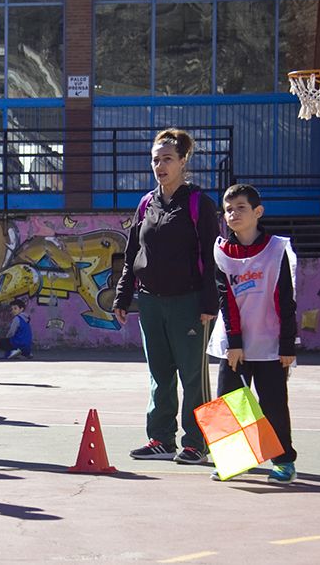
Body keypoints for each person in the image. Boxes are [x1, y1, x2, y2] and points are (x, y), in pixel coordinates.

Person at [113, 128, 220, 465]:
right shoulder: (146, 203)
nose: (160, 165)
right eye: (156, 160)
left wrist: (208, 302)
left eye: (168, 159)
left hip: (188, 302)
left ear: (183, 161)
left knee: (192, 375)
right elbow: (133, 252)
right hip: (151, 301)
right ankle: (161, 439)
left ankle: (196, 443)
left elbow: (211, 255)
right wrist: (123, 295)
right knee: (159, 374)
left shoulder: (198, 204)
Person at [207, 184, 298, 484]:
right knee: (229, 402)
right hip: (235, 344)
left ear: (258, 212)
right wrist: (234, 343)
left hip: (270, 344)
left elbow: (286, 298)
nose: (233, 213)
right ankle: (233, 461)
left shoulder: (276, 249)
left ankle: (284, 462)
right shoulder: (222, 251)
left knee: (273, 404)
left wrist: (287, 345)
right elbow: (226, 299)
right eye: (228, 209)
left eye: (241, 208)